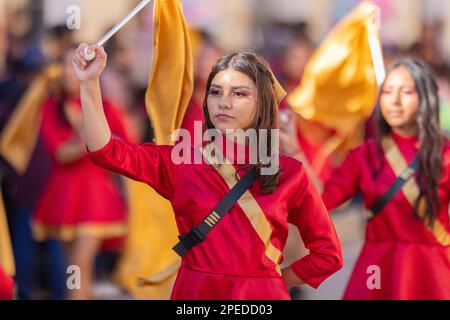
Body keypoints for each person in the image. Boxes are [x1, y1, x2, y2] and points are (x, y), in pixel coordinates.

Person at [72, 43, 343, 300]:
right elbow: (105, 151)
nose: (224, 102)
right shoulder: (182, 160)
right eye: (216, 92)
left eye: (239, 93)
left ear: (261, 103)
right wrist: (89, 82)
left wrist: (273, 280)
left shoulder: (291, 172)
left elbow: (328, 255)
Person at [322, 59, 450, 300]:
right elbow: (320, 203)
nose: (395, 100)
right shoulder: (364, 155)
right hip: (377, 268)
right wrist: (297, 153)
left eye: (407, 91)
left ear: (425, 98)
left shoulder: (445, 155)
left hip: (432, 268)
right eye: (388, 91)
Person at [31, 50, 130, 300]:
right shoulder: (51, 108)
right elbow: (61, 153)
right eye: (64, 65)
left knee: (79, 263)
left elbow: (128, 144)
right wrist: (91, 137)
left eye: (73, 66)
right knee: (76, 271)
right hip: (64, 198)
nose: (67, 72)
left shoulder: (105, 105)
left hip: (96, 198)